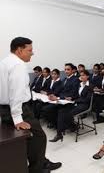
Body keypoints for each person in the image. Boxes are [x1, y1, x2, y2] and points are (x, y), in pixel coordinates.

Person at [0, 37, 61, 173]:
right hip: (19, 109)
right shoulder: (18, 65)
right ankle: (37, 169)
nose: (32, 53)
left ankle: (42, 162)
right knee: (39, 137)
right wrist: (18, 118)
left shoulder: (4, 62)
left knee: (26, 139)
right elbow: (16, 92)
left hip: (5, 108)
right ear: (20, 50)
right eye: (30, 50)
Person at [49, 70, 92, 142]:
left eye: (84, 75)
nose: (82, 77)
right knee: (61, 111)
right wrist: (71, 98)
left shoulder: (90, 86)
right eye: (81, 75)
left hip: (84, 105)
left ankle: (72, 126)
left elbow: (87, 99)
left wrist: (75, 100)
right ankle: (59, 134)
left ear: (87, 76)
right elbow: (76, 95)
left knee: (68, 113)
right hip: (75, 102)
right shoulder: (80, 84)